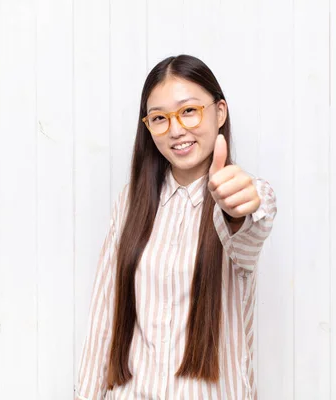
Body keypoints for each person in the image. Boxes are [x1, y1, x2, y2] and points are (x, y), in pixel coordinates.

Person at [76, 54, 277, 399]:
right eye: (159, 118)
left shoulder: (247, 196)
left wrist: (237, 207)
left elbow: (249, 228)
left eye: (189, 111)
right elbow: (104, 320)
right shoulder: (130, 202)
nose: (176, 129)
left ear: (220, 112)